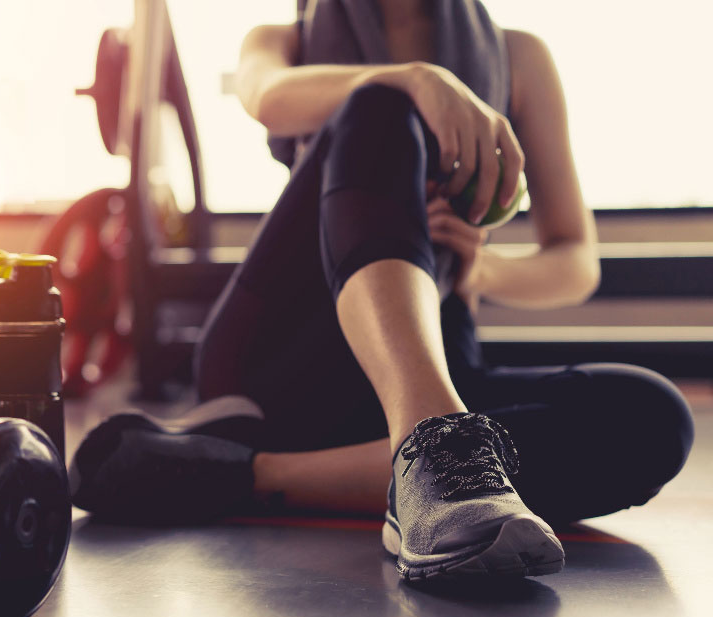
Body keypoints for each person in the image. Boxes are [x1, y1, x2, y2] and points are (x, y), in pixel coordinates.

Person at [68, 0, 694, 580]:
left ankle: (250, 472)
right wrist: (418, 79)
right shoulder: (283, 40)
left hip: (436, 356)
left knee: (654, 417)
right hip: (281, 358)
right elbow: (268, 98)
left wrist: (483, 272)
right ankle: (434, 448)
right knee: (380, 102)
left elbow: (575, 262)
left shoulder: (520, 56)